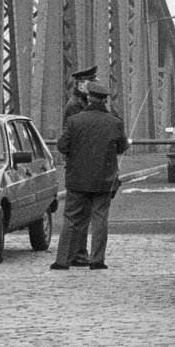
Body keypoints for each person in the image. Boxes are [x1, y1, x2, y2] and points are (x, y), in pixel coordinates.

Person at [50, 79, 128, 271]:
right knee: (100, 218)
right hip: (104, 179)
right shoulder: (115, 122)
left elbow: (62, 146)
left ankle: (62, 261)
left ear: (89, 96)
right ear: (104, 100)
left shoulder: (74, 121)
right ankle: (97, 260)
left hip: (77, 179)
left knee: (71, 218)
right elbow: (122, 147)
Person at [61, 65, 97, 266]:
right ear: (81, 85)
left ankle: (78, 253)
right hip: (80, 166)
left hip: (81, 165)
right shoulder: (76, 106)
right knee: (78, 214)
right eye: (88, 82)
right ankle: (76, 255)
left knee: (82, 214)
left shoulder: (80, 103)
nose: (91, 85)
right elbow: (75, 138)